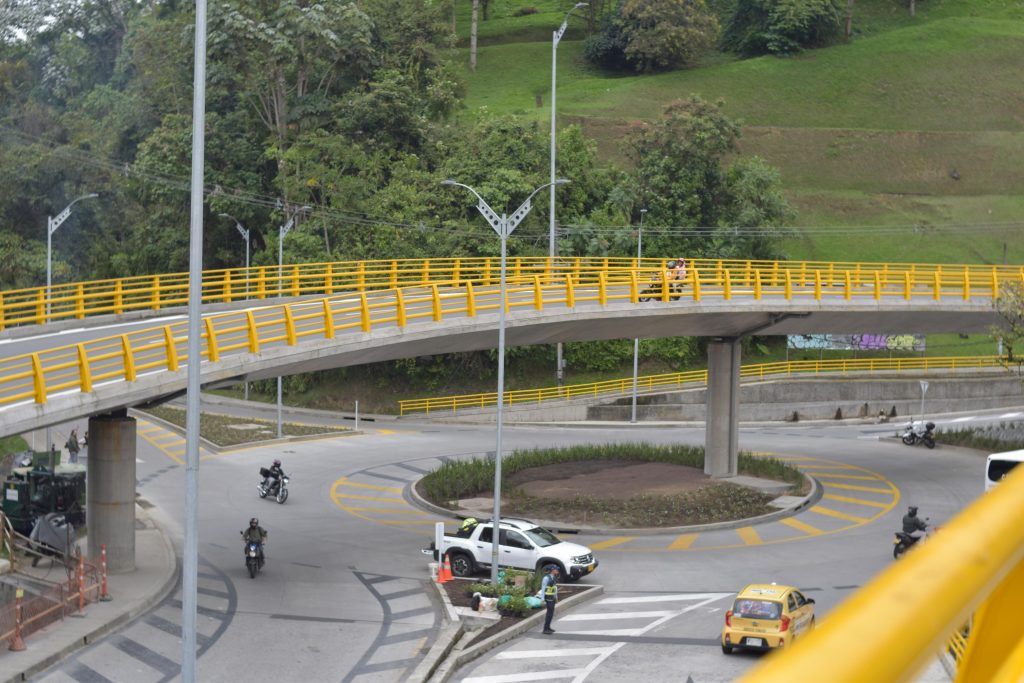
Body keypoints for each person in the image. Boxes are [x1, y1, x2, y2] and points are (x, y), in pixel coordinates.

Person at [536, 564, 560, 635]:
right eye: (556, 569)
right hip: (548, 598)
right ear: (552, 570)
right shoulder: (546, 578)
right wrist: (542, 599)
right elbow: (543, 589)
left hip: (552, 598)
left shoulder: (554, 577)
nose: (557, 570)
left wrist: (556, 597)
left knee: (551, 613)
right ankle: (545, 629)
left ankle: (548, 627)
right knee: (549, 613)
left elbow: (555, 588)